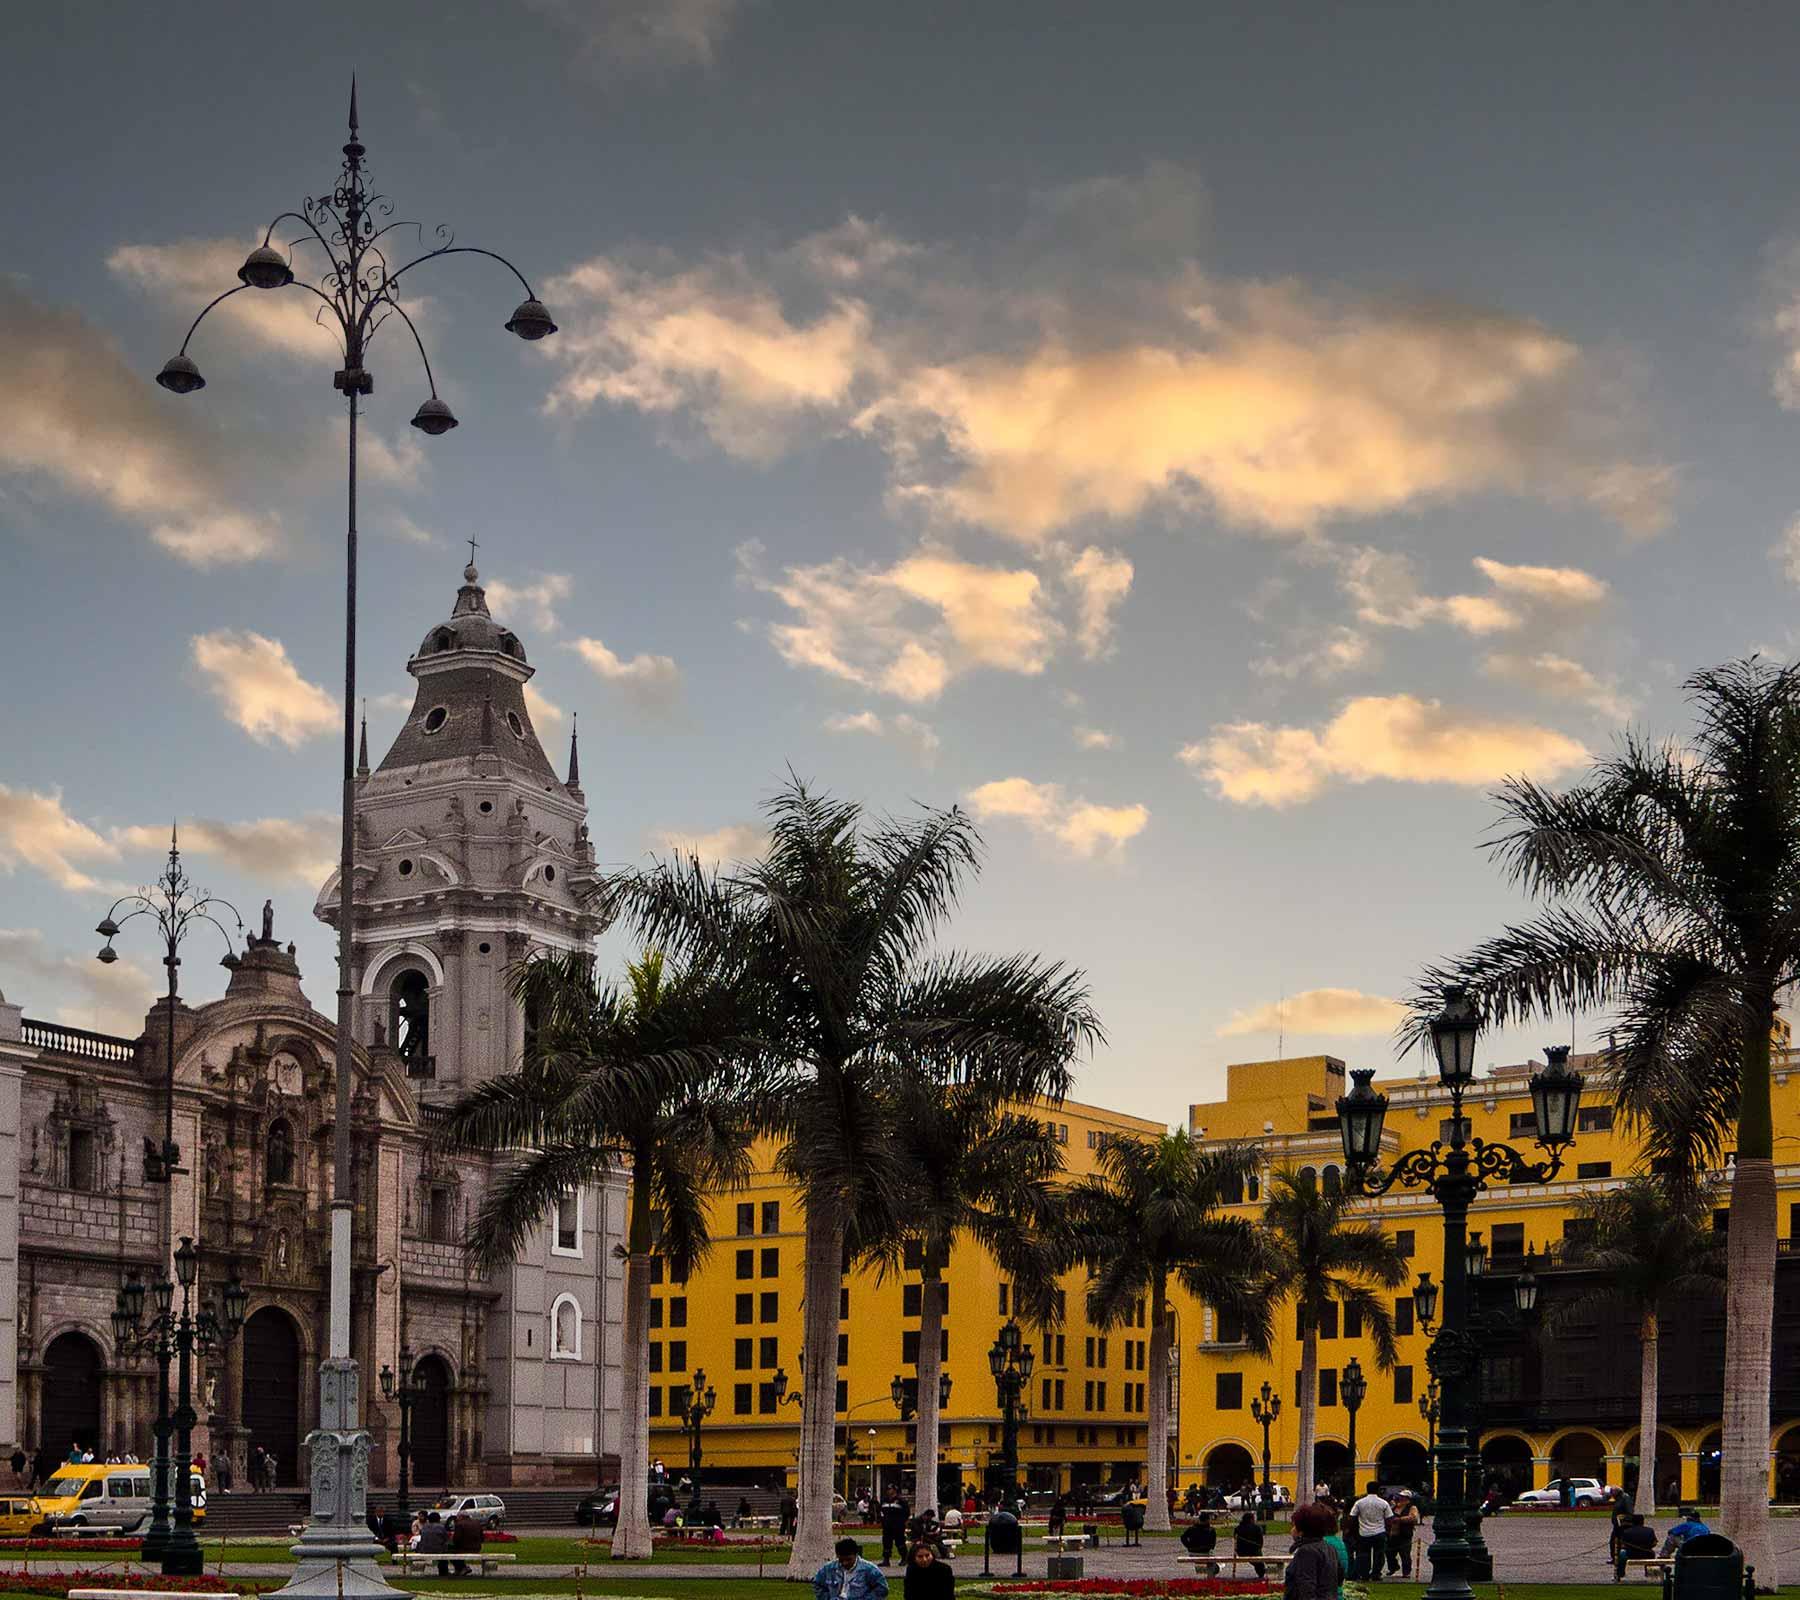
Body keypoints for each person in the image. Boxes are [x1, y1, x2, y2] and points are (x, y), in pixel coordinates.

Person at [1285, 1503, 1342, 1600]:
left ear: (1301, 1530)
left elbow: (1307, 1588)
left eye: (1294, 1526)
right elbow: (1339, 1578)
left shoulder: (1306, 1552)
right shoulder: (1330, 1548)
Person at [814, 1536, 890, 1600]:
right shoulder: (828, 1569)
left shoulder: (869, 1570)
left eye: (848, 1559)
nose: (844, 1563)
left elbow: (882, 1589)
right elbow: (817, 1584)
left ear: (856, 1554)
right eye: (841, 1559)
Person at [1348, 1482, 1391, 1582]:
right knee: (1379, 1555)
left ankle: (1364, 1574)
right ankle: (1376, 1574)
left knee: (1363, 1555)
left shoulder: (1359, 1502)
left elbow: (1352, 1517)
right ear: (1378, 1490)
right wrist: (1388, 1532)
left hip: (1364, 1533)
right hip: (1379, 1532)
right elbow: (1389, 1519)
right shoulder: (1383, 1503)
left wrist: (1353, 1530)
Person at [1384, 1492, 1419, 1578]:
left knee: (1405, 1554)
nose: (1401, 1498)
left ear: (1408, 1498)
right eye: (1400, 1496)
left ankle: (1406, 1572)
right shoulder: (1395, 1506)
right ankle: (1393, 1567)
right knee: (1389, 1552)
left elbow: (1413, 1517)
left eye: (1403, 1497)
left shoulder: (1412, 1507)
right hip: (1392, 1534)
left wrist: (1400, 1519)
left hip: (1405, 1534)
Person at [1616, 1514, 1659, 1578]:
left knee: (1622, 1553)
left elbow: (1623, 1545)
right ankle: (1649, 1573)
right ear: (1643, 1521)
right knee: (1652, 1553)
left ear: (1632, 1522)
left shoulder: (1627, 1532)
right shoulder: (1650, 1530)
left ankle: (1620, 1574)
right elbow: (1654, 1543)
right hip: (1646, 1554)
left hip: (1631, 1554)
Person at [415, 1511, 451, 1576]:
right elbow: (446, 1539)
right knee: (444, 1554)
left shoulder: (424, 1527)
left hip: (424, 1550)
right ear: (438, 1519)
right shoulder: (441, 1527)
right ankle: (443, 1572)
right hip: (438, 1550)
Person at [449, 1510, 483, 1575]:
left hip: (464, 1549)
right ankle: (460, 1569)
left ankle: (462, 1568)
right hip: (477, 1548)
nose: (457, 1519)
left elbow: (456, 1539)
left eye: (457, 1517)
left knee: (448, 1550)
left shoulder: (459, 1524)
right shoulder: (477, 1523)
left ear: (461, 1517)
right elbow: (482, 1538)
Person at [1235, 1510, 1266, 1580]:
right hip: (1254, 1551)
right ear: (1251, 1519)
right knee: (1258, 1559)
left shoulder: (1238, 1528)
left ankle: (1261, 1570)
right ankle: (1261, 1572)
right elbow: (1260, 1542)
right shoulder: (1257, 1528)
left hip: (1241, 1552)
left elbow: (1236, 1541)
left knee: (1257, 1560)